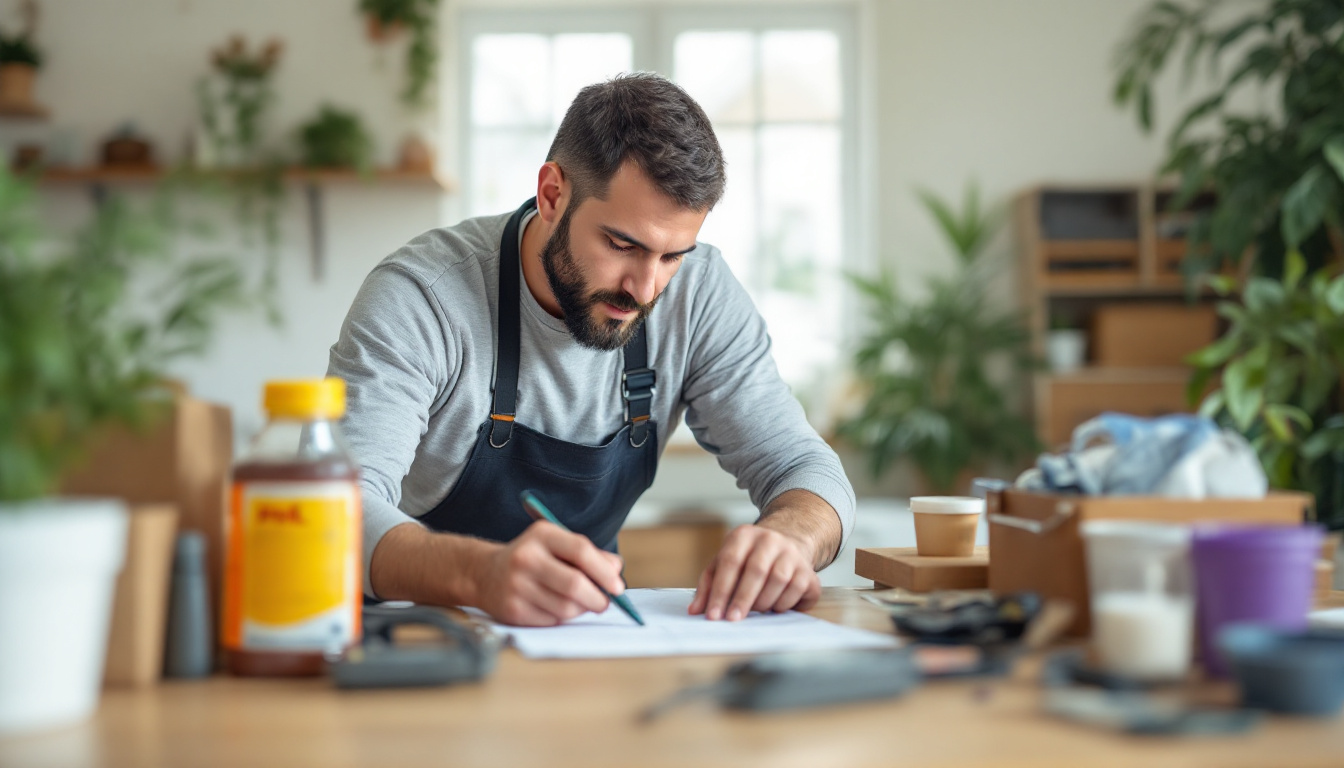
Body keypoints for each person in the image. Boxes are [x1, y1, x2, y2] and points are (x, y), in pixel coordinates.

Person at [328, 72, 855, 627]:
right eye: (622, 245)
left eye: (673, 255)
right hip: (425, 638)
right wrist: (479, 576)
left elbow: (806, 468)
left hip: (591, 634)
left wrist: (790, 537)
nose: (646, 289)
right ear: (552, 194)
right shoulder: (423, 298)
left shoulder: (700, 295)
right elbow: (336, 511)